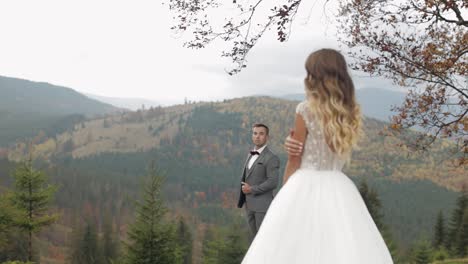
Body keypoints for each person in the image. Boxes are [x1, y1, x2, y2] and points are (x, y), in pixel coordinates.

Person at [241, 49, 394, 263]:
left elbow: (295, 158)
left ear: (316, 76)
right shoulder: (349, 113)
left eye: (309, 72)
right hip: (339, 186)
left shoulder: (305, 110)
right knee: (342, 245)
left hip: (304, 183)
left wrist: (284, 194)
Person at [237, 123, 280, 239]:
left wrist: (251, 189)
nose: (257, 136)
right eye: (255, 133)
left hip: (263, 207)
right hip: (249, 206)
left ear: (267, 137)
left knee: (263, 240)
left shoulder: (272, 158)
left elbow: (273, 182)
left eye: (261, 134)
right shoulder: (250, 155)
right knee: (255, 241)